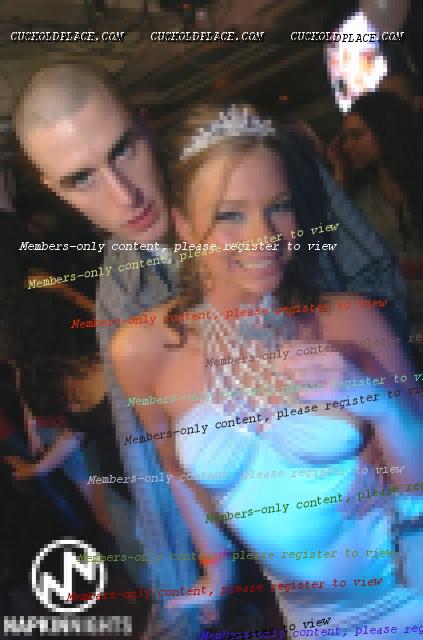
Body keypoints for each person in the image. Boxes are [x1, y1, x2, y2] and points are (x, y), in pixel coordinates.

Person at [111, 104, 422, 636]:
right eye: (230, 215)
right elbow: (177, 471)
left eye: (278, 207)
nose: (265, 235)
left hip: (407, 587)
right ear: (184, 225)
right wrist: (217, 567)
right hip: (311, 618)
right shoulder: (143, 351)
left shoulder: (349, 320)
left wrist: (379, 405)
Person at [13, 65, 278, 639]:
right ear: (55, 190)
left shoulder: (246, 173)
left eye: (122, 151)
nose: (124, 195)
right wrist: (181, 596)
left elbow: (374, 289)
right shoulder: (117, 291)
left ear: (144, 125)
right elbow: (149, 458)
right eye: (82, 179)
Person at [331, 90, 423, 342]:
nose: (348, 146)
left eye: (357, 136)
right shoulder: (361, 194)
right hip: (399, 323)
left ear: (386, 131)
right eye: (345, 138)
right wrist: (340, 174)